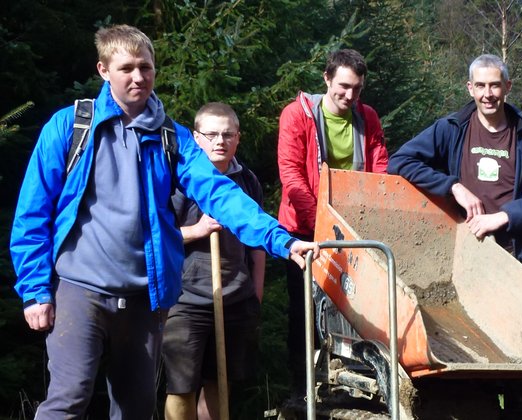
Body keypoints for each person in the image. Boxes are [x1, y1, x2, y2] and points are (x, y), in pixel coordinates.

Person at [10, 25, 317, 419]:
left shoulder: (172, 138)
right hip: (79, 289)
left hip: (144, 299)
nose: (138, 77)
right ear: (104, 70)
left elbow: (219, 194)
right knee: (68, 401)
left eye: (146, 67)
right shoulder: (71, 127)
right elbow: (32, 212)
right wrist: (36, 290)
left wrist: (283, 241)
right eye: (127, 68)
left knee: (137, 408)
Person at [388, 54, 522, 275]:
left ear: (507, 87)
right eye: (480, 86)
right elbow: (400, 161)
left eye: (495, 86)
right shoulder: (452, 128)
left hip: (521, 262)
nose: (487, 94)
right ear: (470, 88)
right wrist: (453, 187)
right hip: (467, 257)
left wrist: (505, 216)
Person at [276, 48, 388, 397]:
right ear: (326, 79)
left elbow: (379, 168)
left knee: (353, 309)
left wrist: (367, 218)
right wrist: (320, 226)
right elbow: (291, 177)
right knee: (305, 312)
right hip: (304, 229)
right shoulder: (297, 115)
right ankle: (302, 386)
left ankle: (352, 384)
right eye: (342, 86)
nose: (349, 95)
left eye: (356, 88)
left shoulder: (367, 118)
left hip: (353, 231)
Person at [162, 102, 266, 420]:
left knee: (220, 384)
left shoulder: (246, 182)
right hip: (184, 300)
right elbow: (156, 237)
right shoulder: (176, 183)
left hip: (235, 299)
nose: (219, 141)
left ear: (238, 138)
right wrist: (197, 229)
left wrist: (256, 292)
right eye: (211, 134)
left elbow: (258, 245)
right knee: (180, 385)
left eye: (227, 134)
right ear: (196, 138)